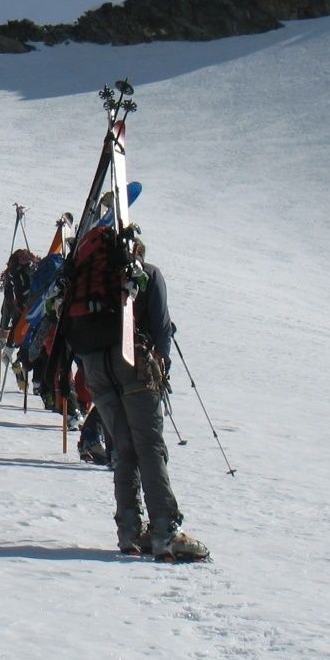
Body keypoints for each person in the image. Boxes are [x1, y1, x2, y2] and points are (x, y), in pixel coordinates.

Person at [68, 235, 208, 561]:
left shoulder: (90, 282)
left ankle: (129, 532)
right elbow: (160, 330)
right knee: (149, 446)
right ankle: (165, 531)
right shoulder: (148, 274)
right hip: (134, 365)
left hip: (96, 366)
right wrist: (161, 370)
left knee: (124, 448)